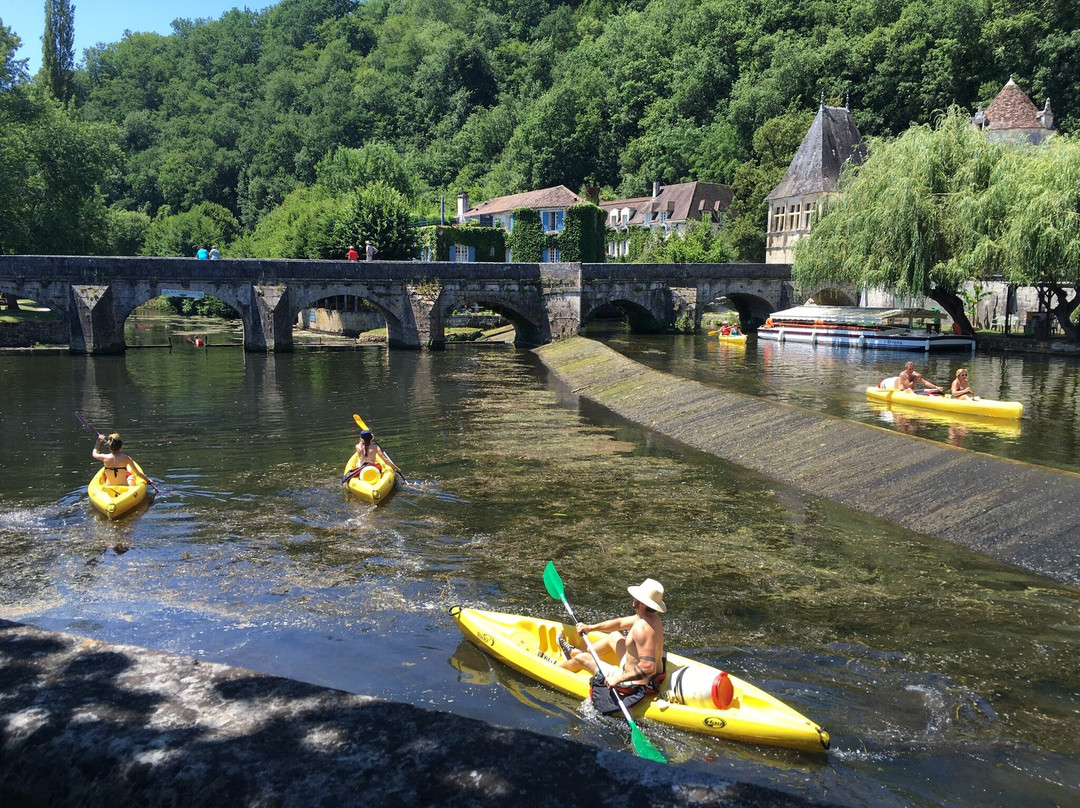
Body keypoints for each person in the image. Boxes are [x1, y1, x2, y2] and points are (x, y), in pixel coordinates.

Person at [554, 578, 667, 713]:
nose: (633, 598)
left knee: (582, 658)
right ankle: (573, 653)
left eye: (636, 597)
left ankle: (555, 665)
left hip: (633, 683)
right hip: (638, 669)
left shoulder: (643, 629)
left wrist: (618, 678)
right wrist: (590, 628)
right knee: (614, 636)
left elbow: (649, 668)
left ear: (642, 603)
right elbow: (619, 623)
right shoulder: (650, 618)